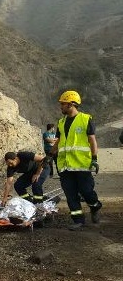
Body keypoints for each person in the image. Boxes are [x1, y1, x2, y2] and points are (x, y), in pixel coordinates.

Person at [50, 90, 102, 231]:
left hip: (81, 164)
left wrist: (94, 158)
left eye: (63, 104)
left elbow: (92, 141)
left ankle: (95, 206)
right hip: (65, 166)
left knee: (86, 191)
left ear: (71, 104)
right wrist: (50, 155)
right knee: (70, 194)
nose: (61, 107)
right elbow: (59, 141)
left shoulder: (85, 119)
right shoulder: (61, 122)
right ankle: (78, 220)